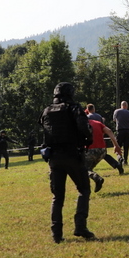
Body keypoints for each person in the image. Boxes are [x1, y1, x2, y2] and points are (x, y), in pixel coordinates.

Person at [40, 82, 95, 243]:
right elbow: (84, 127)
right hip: (72, 154)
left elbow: (44, 132)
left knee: (58, 197)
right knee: (84, 189)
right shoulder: (74, 108)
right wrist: (88, 139)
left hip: (54, 157)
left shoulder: (47, 111)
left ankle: (56, 234)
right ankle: (80, 226)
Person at [84, 118, 124, 192]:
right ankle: (91, 183)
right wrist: (116, 145)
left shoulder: (81, 124)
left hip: (90, 150)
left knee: (83, 169)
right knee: (88, 168)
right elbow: (109, 131)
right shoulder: (97, 123)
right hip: (102, 150)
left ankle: (96, 178)